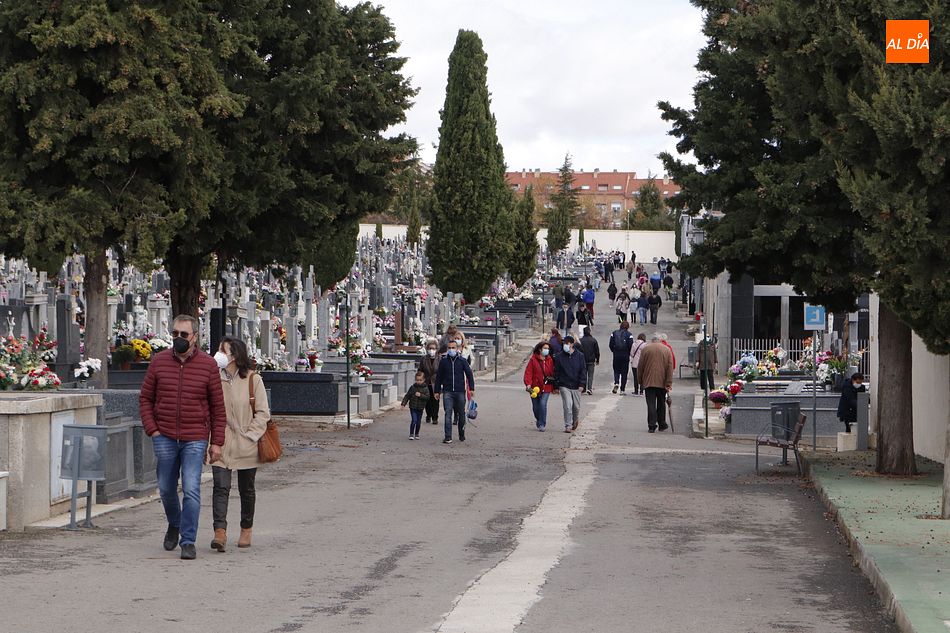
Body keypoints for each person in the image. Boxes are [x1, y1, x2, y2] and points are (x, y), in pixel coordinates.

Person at [140, 314, 226, 560]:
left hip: (195, 437)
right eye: (175, 333)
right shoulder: (158, 362)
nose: (178, 338)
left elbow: (217, 408)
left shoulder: (208, 365)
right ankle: (174, 523)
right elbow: (146, 398)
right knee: (166, 489)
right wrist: (153, 430)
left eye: (184, 335)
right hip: (164, 435)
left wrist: (216, 442)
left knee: (191, 489)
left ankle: (188, 540)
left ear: (195, 337)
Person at [209, 337, 271, 552]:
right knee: (220, 486)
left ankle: (246, 528)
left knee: (247, 488)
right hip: (221, 440)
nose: (218, 354)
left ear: (234, 355)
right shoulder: (214, 378)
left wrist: (251, 435)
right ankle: (220, 532)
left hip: (246, 442)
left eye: (222, 350)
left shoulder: (253, 380)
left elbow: (263, 412)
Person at [433, 339, 475, 444]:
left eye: (453, 348)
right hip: (447, 391)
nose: (451, 350)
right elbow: (439, 377)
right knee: (448, 413)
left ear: (457, 349)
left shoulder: (462, 361)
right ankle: (448, 436)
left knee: (461, 414)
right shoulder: (444, 361)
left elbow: (469, 375)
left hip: (460, 391)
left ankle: (461, 434)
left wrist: (471, 388)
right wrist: (437, 391)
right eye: (449, 348)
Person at [638, 335, 674, 432]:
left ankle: (652, 425)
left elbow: (640, 366)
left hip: (648, 381)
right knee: (661, 403)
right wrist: (668, 382)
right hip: (662, 382)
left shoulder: (646, 349)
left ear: (652, 341)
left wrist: (640, 380)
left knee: (651, 404)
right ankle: (661, 423)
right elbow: (670, 368)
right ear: (660, 341)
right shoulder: (666, 350)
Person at [553, 335, 587, 433]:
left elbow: (583, 371)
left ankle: (575, 420)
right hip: (564, 385)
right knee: (568, 405)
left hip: (576, 385)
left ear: (572, 344)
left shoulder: (580, 356)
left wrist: (582, 384)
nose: (565, 345)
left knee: (576, 406)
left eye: (567, 343)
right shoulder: (559, 357)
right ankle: (568, 425)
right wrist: (556, 386)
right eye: (564, 343)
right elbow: (556, 372)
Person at [523, 341, 556, 431]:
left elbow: (553, 372)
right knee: (536, 406)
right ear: (540, 349)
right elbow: (528, 373)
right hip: (534, 387)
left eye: (548, 348)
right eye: (545, 348)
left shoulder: (550, 360)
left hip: (546, 386)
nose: (547, 350)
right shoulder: (533, 360)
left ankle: (542, 423)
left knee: (543, 404)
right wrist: (528, 384)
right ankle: (539, 419)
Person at [402, 370, 431, 440]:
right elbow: (407, 396)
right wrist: (403, 404)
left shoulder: (425, 388)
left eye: (420, 380)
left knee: (418, 421)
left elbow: (427, 397)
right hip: (413, 407)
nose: (419, 381)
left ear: (423, 380)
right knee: (414, 420)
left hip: (421, 407)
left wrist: (420, 395)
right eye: (417, 380)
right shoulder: (413, 388)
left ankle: (417, 433)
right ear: (415, 380)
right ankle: (411, 433)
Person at [418, 340, 442, 425]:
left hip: (436, 383)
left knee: (435, 401)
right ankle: (428, 415)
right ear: (427, 349)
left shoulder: (440, 359)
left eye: (433, 348)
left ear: (436, 349)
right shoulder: (424, 359)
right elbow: (420, 370)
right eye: (430, 348)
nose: (431, 350)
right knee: (427, 401)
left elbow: (442, 371)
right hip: (426, 382)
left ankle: (435, 417)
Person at [608, 321, 634, 394]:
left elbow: (610, 344)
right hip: (625, 355)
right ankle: (622, 389)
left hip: (616, 354)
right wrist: (628, 353)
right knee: (624, 373)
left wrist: (614, 351)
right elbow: (630, 345)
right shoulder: (629, 335)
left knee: (616, 370)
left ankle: (616, 382)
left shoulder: (614, 333)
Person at [579, 326, 600, 394]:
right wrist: (597, 359)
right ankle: (590, 388)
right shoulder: (593, 340)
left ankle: (583, 388)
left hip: (582, 360)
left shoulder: (581, 341)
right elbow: (597, 351)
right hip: (591, 360)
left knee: (583, 374)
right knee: (590, 375)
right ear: (590, 332)